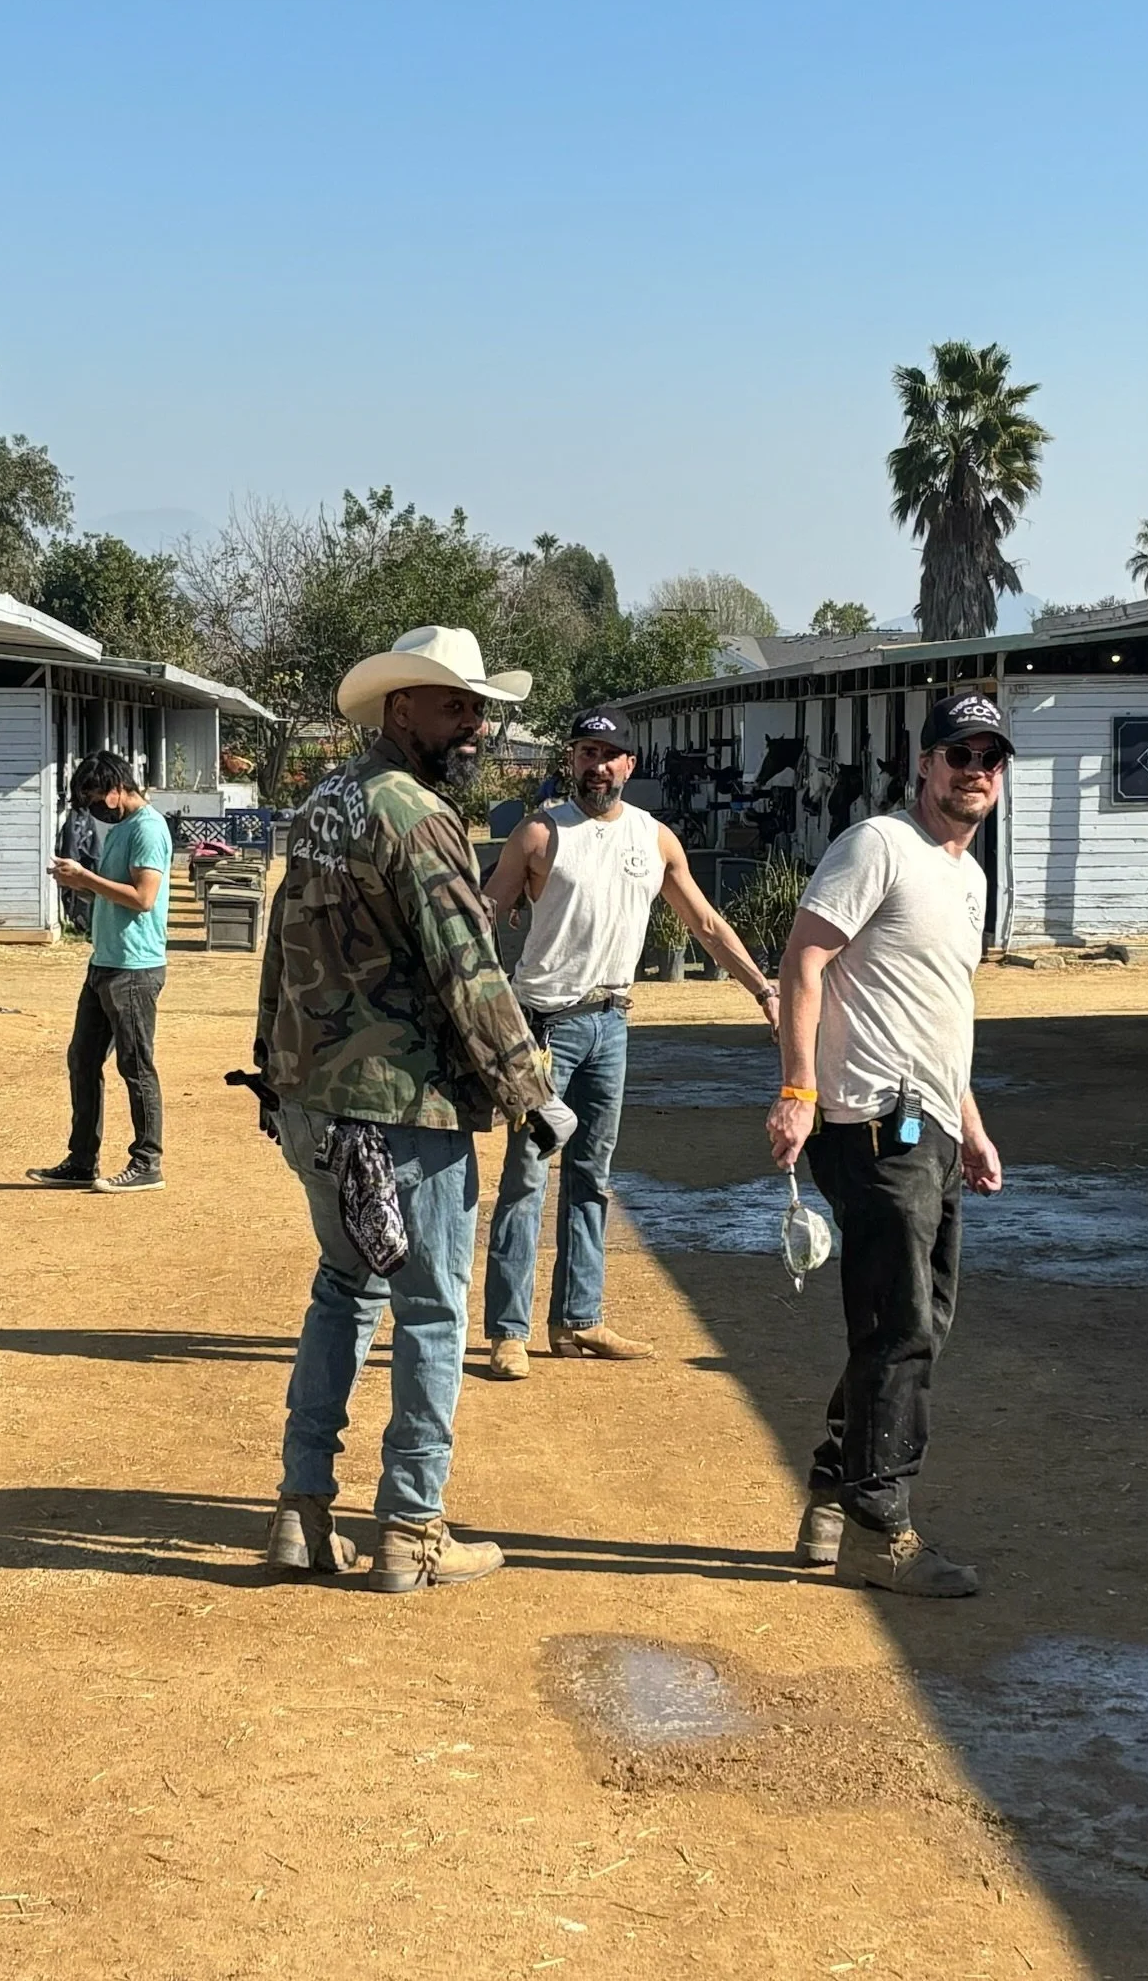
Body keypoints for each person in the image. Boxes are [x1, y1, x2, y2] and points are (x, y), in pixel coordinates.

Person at [256, 626, 565, 1594]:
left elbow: (278, 942)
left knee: (342, 1290)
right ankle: (410, 1528)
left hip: (316, 1101)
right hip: (401, 1113)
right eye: (453, 704)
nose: (474, 723)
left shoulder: (323, 805)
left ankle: (301, 1513)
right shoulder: (416, 816)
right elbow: (467, 966)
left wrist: (272, 1069)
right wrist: (530, 1094)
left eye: (476, 706)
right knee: (432, 1309)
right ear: (400, 709)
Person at [766, 692, 1008, 1599]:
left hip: (932, 1130)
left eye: (989, 756)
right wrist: (797, 1088)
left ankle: (834, 1497)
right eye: (959, 753)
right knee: (900, 1325)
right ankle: (880, 1528)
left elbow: (939, 1017)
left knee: (914, 1325)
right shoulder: (878, 846)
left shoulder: (969, 878)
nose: (975, 769)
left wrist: (972, 1126)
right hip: (868, 1125)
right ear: (926, 762)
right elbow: (803, 961)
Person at [479, 705, 780, 1377]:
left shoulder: (655, 839)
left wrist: (764, 989)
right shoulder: (538, 835)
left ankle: (578, 1321)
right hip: (543, 1033)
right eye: (586, 753)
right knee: (528, 1178)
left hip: (611, 1025)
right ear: (571, 762)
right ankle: (507, 1331)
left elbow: (705, 922)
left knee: (593, 1178)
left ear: (629, 766)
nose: (598, 766)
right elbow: (484, 916)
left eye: (609, 755)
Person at [27, 753, 173, 1194]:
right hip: (105, 962)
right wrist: (81, 884)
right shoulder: (121, 828)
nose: (92, 806)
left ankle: (147, 1162)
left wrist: (86, 878)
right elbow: (115, 895)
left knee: (136, 1064)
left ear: (116, 788)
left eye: (94, 797)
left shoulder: (147, 829)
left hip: (134, 967)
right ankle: (81, 1160)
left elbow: (144, 897)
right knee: (83, 1059)